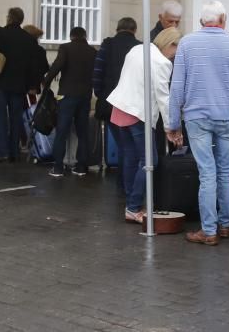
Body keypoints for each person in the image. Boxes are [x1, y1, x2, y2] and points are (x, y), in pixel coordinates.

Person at [166, 1, 229, 246]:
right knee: (225, 171)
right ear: (224, 20)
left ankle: (209, 230)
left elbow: (177, 86)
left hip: (196, 117)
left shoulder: (187, 43)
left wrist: (173, 122)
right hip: (226, 115)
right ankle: (226, 225)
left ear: (201, 21)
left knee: (207, 172)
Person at [107, 27, 180, 223]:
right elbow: (163, 97)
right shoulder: (162, 62)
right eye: (176, 49)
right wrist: (170, 126)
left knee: (131, 158)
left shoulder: (137, 49)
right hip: (138, 113)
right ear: (170, 44)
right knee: (149, 161)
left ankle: (132, 205)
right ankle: (133, 206)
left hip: (120, 107)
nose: (175, 55)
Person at [0, 7, 49, 163]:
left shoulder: (0, 32)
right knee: (15, 117)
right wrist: (32, 83)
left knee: (0, 117)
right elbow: (34, 65)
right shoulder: (28, 39)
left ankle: (3, 151)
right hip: (20, 85)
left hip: (0, 82)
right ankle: (14, 151)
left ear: (9, 18)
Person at [93, 17, 142, 189]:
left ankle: (124, 185)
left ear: (117, 28)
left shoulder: (107, 45)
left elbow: (97, 71)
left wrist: (100, 94)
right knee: (129, 147)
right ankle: (125, 185)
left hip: (109, 102)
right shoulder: (139, 47)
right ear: (134, 30)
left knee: (124, 147)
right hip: (132, 104)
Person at [43, 26, 98, 177]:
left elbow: (57, 66)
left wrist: (46, 80)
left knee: (62, 130)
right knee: (82, 132)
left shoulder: (65, 48)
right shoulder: (93, 51)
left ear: (71, 36)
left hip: (67, 95)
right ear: (85, 36)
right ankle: (81, 166)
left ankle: (58, 167)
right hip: (85, 95)